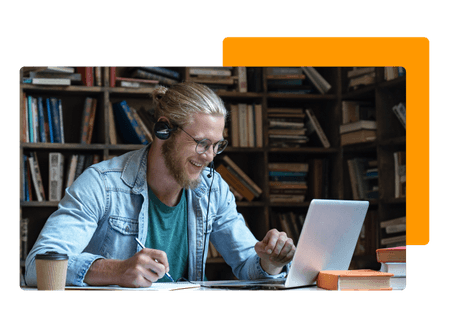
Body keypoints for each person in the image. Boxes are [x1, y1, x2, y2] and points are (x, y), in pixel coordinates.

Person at [25, 82, 295, 288]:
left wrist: (270, 263)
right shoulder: (101, 184)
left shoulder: (214, 189)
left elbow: (248, 264)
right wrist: (117, 270)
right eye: (201, 143)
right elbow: (38, 266)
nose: (210, 157)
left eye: (216, 146)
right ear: (164, 130)